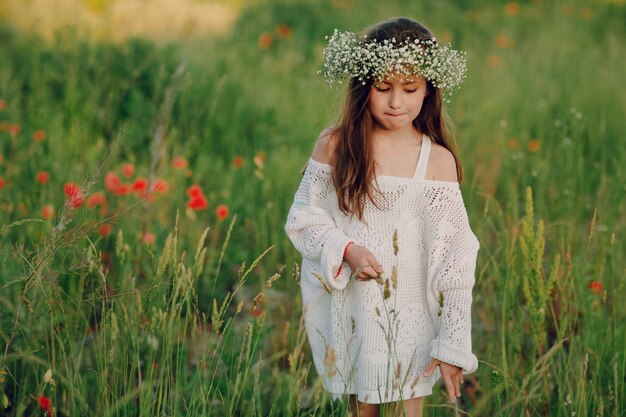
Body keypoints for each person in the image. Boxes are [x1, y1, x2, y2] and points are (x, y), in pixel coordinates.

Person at [284, 17, 480, 417]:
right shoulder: (337, 145)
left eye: (410, 89)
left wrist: (453, 341)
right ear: (362, 86)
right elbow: (304, 218)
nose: (396, 102)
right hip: (356, 312)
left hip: (414, 316)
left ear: (428, 90)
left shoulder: (436, 162)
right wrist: (347, 249)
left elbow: (457, 259)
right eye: (382, 88)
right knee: (364, 409)